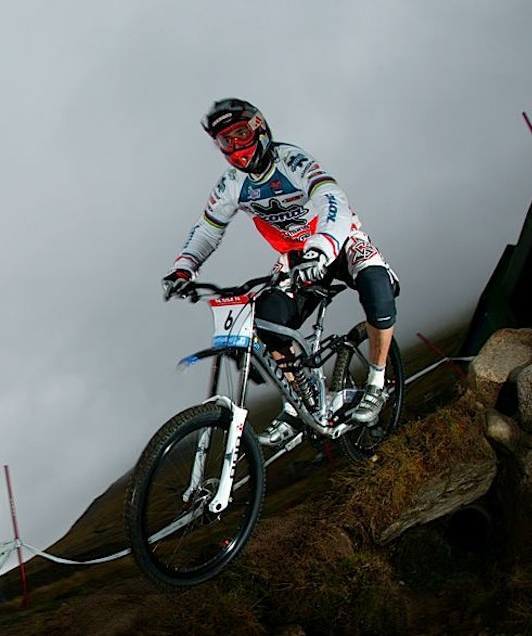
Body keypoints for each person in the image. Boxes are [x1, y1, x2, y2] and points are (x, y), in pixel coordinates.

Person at [162, 98, 399, 446]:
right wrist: (184, 268)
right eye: (226, 141)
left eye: (240, 133)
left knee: (376, 286)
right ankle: (298, 403)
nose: (236, 145)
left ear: (259, 127)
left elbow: (333, 200)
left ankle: (376, 384)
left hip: (338, 241)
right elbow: (209, 229)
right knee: (267, 322)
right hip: (294, 258)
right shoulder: (232, 184)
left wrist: (323, 246)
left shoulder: (292, 161)